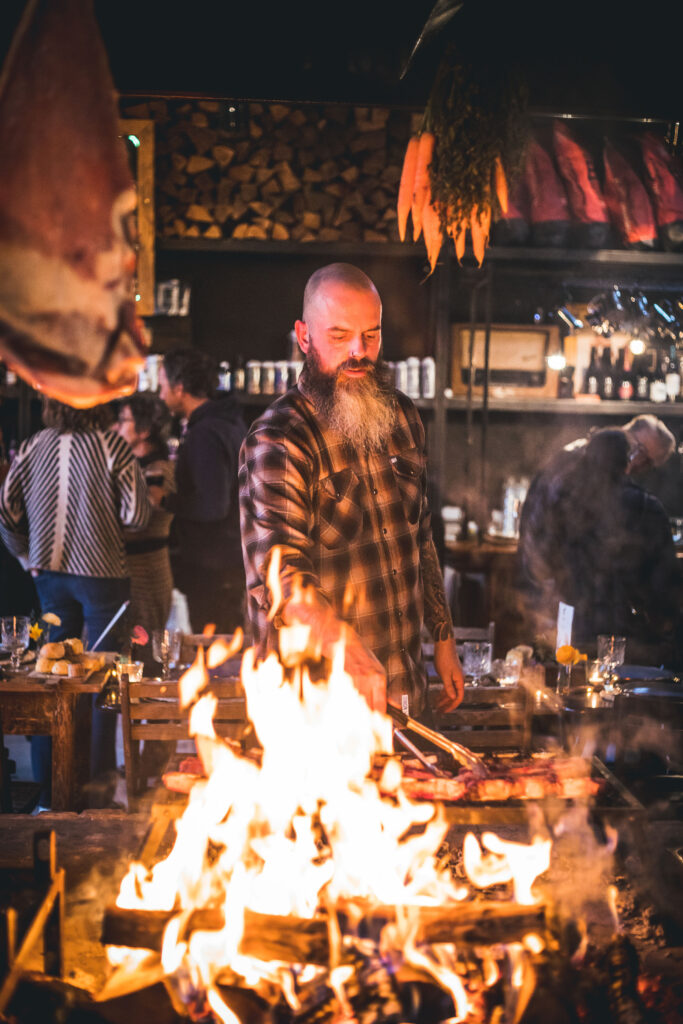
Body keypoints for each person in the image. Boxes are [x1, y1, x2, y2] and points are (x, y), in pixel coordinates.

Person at [239, 262, 464, 716]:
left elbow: (420, 540)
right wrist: (350, 651)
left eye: (372, 335)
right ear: (304, 337)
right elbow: (282, 579)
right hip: (315, 704)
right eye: (339, 336)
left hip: (404, 690)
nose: (359, 352)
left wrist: (442, 637)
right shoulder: (278, 439)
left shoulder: (402, 416)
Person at [0, 398, 149, 806]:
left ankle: (52, 793)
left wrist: (27, 557)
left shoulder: (33, 446)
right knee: (106, 681)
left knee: (51, 678)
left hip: (49, 577)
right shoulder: (112, 445)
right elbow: (138, 515)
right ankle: (97, 794)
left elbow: (6, 512)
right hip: (104, 575)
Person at [518, 425, 681, 665]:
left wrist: (544, 611)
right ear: (628, 462)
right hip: (626, 637)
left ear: (587, 457)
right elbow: (665, 586)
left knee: (566, 689)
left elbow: (538, 557)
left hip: (568, 629)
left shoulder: (562, 501)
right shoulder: (648, 507)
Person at [158, 348, 246, 634]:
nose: (160, 395)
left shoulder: (205, 433)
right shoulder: (226, 422)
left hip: (213, 565)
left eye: (162, 387)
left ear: (179, 389)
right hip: (229, 560)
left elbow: (212, 506)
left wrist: (166, 500)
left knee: (214, 652)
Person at [115, 393, 176, 664]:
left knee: (144, 653)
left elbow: (145, 513)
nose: (117, 427)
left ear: (144, 430)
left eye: (123, 420)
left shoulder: (157, 469)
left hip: (146, 572)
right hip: (132, 571)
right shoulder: (135, 466)